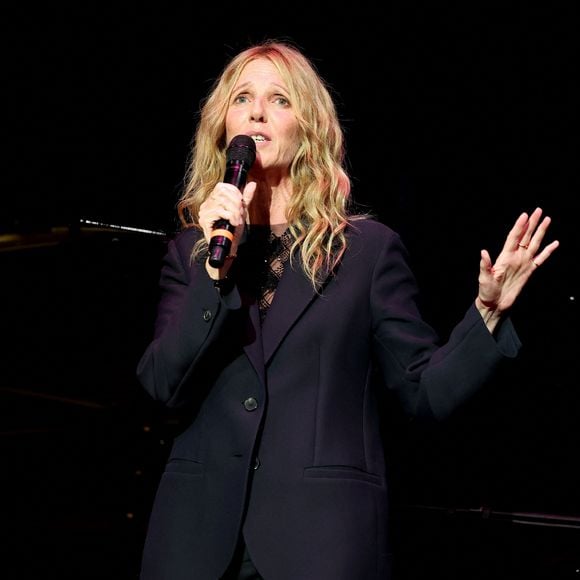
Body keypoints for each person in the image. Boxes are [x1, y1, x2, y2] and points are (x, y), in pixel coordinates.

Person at [135, 39, 559, 580]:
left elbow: (424, 394)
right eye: (242, 98)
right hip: (194, 544)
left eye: (280, 99)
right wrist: (214, 277)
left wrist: (487, 315)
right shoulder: (191, 254)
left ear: (308, 126)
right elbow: (160, 385)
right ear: (223, 125)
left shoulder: (366, 252)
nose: (258, 111)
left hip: (320, 545)